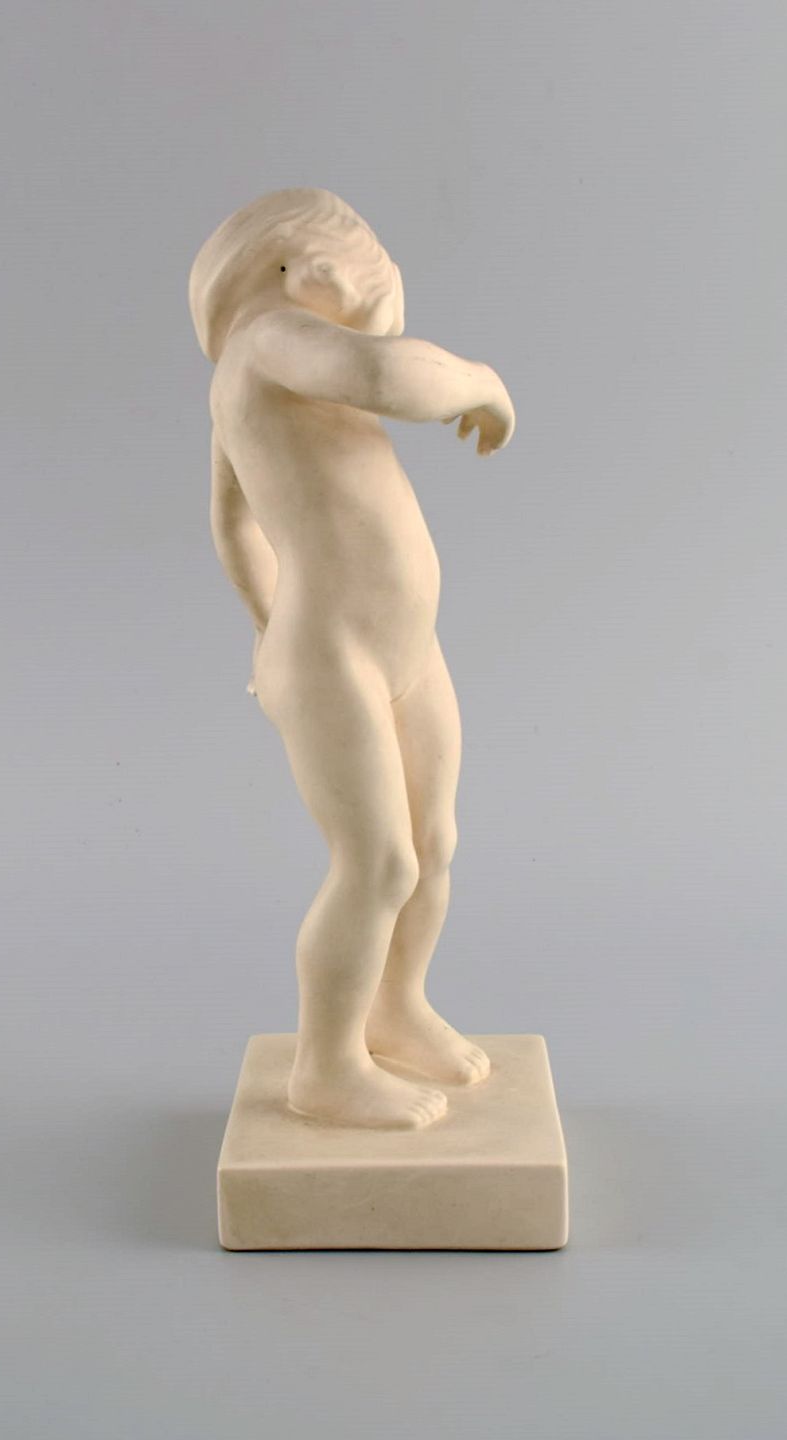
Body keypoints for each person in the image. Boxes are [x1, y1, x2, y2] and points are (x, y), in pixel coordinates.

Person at [190, 189, 515, 1128]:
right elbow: (385, 374)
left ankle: (395, 1007)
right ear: (302, 269)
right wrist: (482, 381)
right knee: (377, 862)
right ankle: (326, 1067)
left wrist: (264, 619)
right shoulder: (267, 338)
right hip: (334, 651)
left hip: (402, 645)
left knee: (432, 843)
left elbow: (231, 524)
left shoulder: (272, 369)